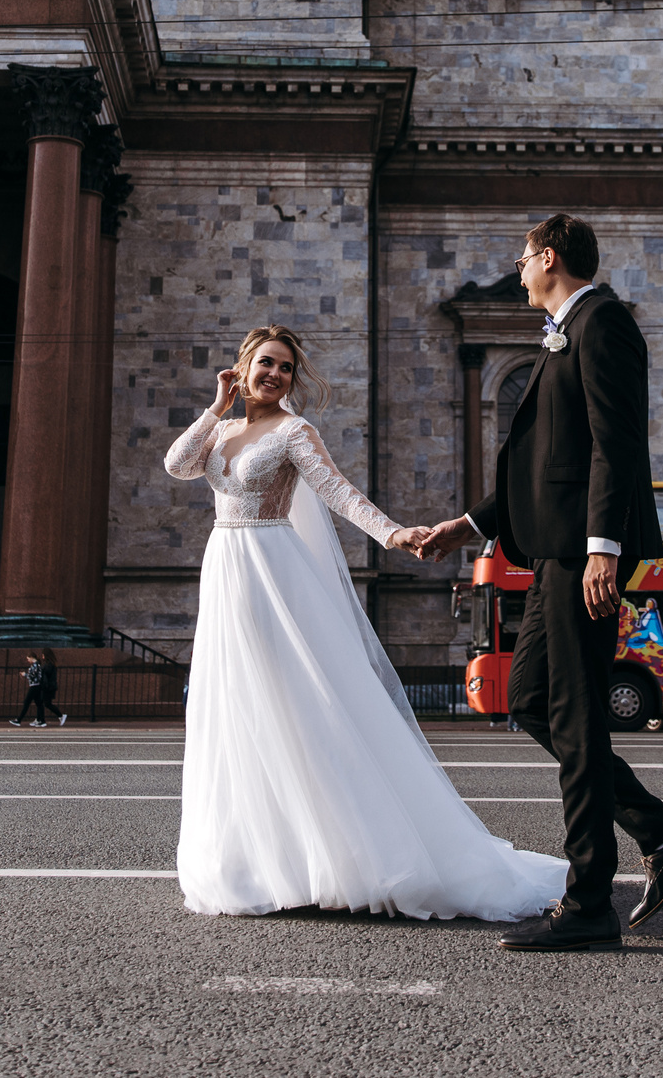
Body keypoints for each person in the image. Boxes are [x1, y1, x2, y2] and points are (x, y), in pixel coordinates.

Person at [163, 324, 567, 921]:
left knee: (299, 709)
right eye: (266, 364)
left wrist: (394, 533)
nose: (275, 375)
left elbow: (338, 492)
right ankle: (265, 862)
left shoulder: (295, 431)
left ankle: (343, 856)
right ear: (243, 366)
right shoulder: (221, 430)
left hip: (274, 570)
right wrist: (216, 404)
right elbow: (176, 465)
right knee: (237, 709)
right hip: (225, 574)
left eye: (285, 369)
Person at [409, 214, 663, 950]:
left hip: (583, 554)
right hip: (552, 553)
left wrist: (604, 548)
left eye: (521, 258)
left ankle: (588, 903)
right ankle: (661, 831)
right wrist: (469, 524)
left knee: (575, 718)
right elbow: (544, 459)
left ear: (548, 257)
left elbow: (615, 441)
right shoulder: (564, 333)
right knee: (534, 699)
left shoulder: (603, 322)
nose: (516, 272)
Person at [11, 654, 56, 728]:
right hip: (36, 686)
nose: (28, 660)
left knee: (27, 702)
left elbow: (34, 676)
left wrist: (25, 674)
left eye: (28, 658)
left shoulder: (36, 665)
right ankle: (42, 720)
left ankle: (19, 720)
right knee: (39, 703)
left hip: (34, 686)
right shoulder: (37, 665)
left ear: (32, 658)